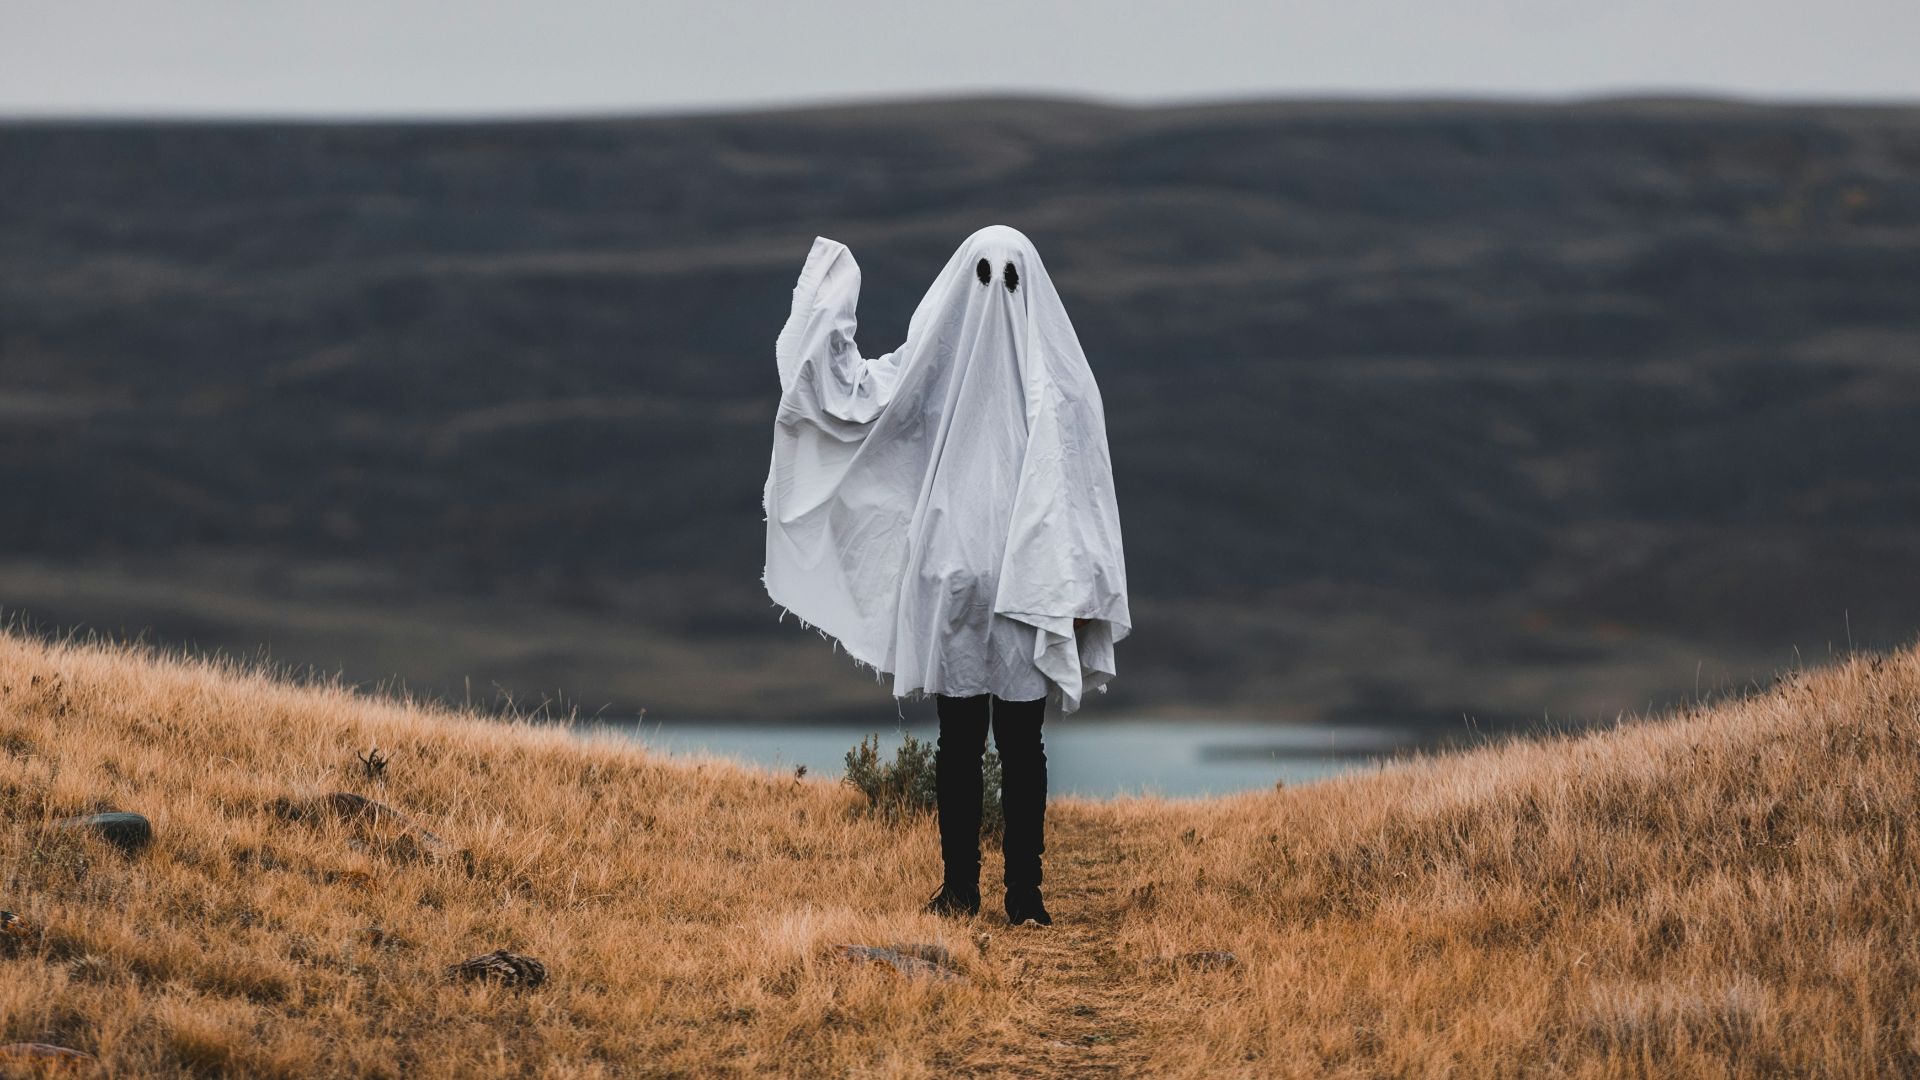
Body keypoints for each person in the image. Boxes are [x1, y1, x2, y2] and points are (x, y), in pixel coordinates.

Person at [763, 225, 1130, 926]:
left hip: (992, 581)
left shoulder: (979, 373)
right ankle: (992, 892)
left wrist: (1075, 591)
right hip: (988, 581)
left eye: (1009, 278)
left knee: (994, 742)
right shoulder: (1036, 380)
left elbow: (859, 403)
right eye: (986, 277)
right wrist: (830, 315)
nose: (996, 293)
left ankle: (1002, 892)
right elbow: (856, 401)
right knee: (991, 741)